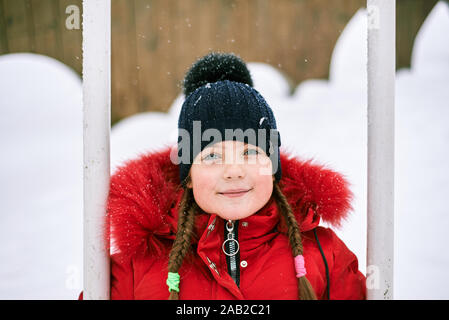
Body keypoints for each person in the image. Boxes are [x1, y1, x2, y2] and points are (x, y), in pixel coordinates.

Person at [79, 52, 366, 300]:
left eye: (251, 153)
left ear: (273, 167)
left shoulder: (325, 255)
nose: (233, 171)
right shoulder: (137, 267)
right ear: (187, 175)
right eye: (212, 156)